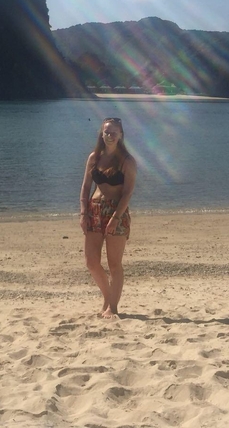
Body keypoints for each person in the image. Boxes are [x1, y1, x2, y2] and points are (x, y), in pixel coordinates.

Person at [79, 117, 136, 318]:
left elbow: (128, 192)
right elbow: (86, 187)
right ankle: (107, 297)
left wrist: (116, 217)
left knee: (114, 264)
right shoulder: (94, 158)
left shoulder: (127, 161)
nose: (110, 136)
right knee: (91, 261)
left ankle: (113, 306)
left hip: (117, 212)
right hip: (94, 209)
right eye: (106, 132)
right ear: (101, 134)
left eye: (114, 132)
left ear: (121, 135)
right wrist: (83, 212)